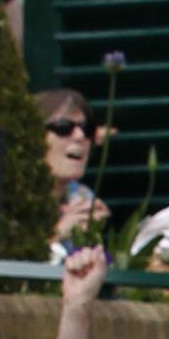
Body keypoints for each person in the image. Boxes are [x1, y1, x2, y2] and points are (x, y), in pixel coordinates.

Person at [41, 88, 108, 252]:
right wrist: (58, 233)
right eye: (63, 127)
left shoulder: (81, 195)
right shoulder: (8, 200)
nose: (80, 136)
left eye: (87, 129)